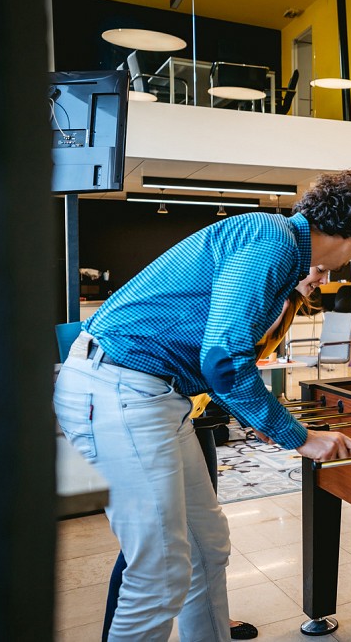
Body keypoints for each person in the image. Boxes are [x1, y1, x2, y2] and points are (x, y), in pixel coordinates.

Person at [53, 170, 351, 641]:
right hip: (122, 388)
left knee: (206, 545)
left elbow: (210, 349)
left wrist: (256, 415)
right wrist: (302, 438)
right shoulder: (273, 242)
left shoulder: (274, 239)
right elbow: (223, 356)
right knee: (160, 570)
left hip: (152, 393)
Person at [100, 267, 330, 641]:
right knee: (151, 545)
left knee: (203, 535)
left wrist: (250, 415)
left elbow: (228, 370)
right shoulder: (256, 292)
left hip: (193, 413)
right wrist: (283, 429)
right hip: (156, 406)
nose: (322, 273)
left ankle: (212, 617)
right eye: (316, 266)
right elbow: (219, 360)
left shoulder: (287, 306)